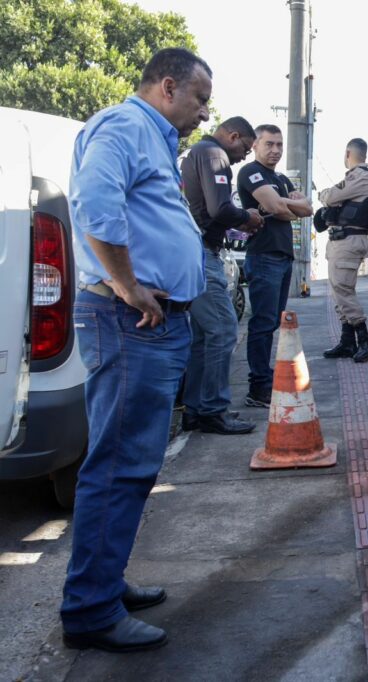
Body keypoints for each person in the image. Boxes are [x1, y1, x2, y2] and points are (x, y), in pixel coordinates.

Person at [62, 48, 211, 652]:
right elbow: (95, 206)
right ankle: (91, 612)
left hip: (149, 323)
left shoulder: (151, 137)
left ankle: (104, 582)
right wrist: (126, 283)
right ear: (168, 86)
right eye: (200, 99)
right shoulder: (125, 127)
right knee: (119, 466)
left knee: (133, 467)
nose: (204, 112)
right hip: (131, 321)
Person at [179, 116, 263, 434]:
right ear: (232, 135)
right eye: (245, 147)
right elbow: (219, 210)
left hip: (193, 251)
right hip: (201, 253)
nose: (244, 155)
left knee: (203, 336)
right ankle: (213, 410)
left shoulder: (197, 152)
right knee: (224, 329)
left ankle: (196, 410)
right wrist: (248, 217)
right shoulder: (214, 155)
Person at [236, 124, 313, 407]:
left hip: (283, 258)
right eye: (269, 144)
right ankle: (258, 388)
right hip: (264, 255)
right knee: (262, 324)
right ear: (255, 145)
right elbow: (283, 208)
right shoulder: (249, 172)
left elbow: (307, 209)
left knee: (273, 323)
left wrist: (286, 205)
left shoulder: (279, 177)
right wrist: (286, 205)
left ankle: (266, 379)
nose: (276, 150)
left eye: (279, 144)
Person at [319, 138, 368, 362]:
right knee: (339, 292)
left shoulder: (360, 176)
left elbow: (331, 196)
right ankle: (347, 341)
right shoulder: (356, 178)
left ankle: (365, 340)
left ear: (348, 153)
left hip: (348, 240)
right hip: (342, 241)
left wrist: (325, 195)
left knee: (343, 291)